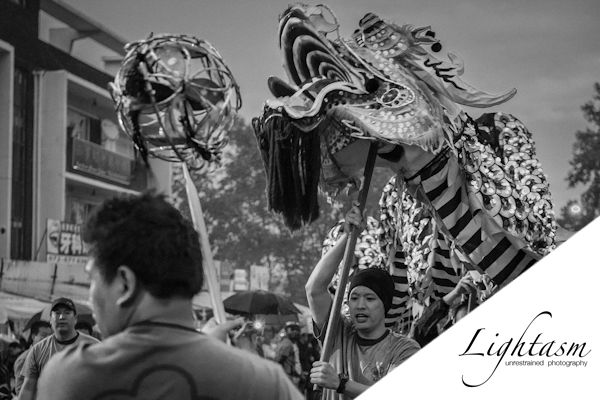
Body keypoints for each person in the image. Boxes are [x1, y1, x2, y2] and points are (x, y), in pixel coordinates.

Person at [36, 193, 302, 400]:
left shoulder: (70, 377)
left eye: (92, 279)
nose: (91, 296)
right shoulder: (266, 382)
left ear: (125, 283)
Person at [306, 205, 420, 399]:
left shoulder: (405, 349)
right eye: (354, 298)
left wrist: (341, 384)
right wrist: (348, 237)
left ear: (384, 305)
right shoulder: (338, 332)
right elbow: (314, 289)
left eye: (369, 298)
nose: (359, 305)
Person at [18, 297, 98, 400]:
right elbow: (28, 389)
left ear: (75, 319)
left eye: (67, 313)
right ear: (50, 319)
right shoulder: (37, 350)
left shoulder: (94, 347)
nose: (61, 317)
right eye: (57, 313)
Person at [13, 321, 52, 396]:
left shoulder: (51, 355)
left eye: (50, 335)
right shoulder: (24, 359)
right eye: (44, 335)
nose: (48, 339)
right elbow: (20, 390)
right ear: (33, 336)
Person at [276, 321, 303, 386]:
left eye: (297, 330)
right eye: (293, 330)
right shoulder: (287, 343)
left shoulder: (292, 343)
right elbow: (280, 360)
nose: (296, 332)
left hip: (292, 374)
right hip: (289, 375)